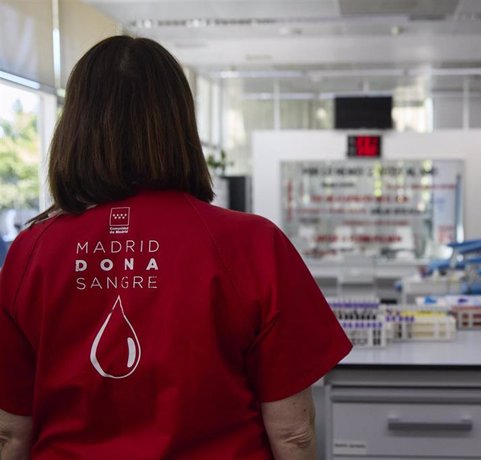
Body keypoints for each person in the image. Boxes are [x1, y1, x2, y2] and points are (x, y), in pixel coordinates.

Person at [0, 36, 352, 460]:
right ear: (180, 124)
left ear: (74, 125)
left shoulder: (31, 252)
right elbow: (293, 433)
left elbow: (10, 433)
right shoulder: (253, 244)